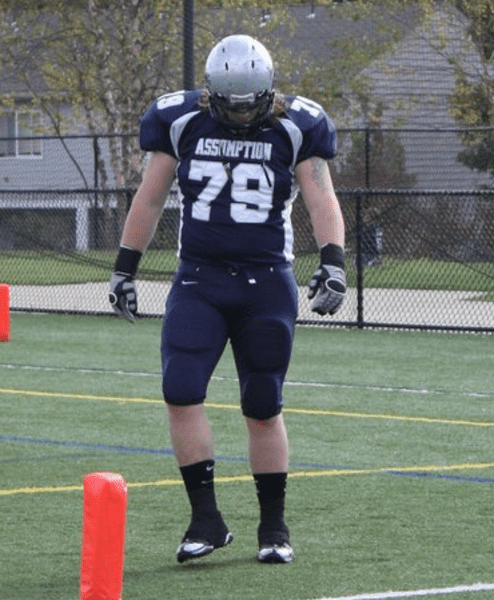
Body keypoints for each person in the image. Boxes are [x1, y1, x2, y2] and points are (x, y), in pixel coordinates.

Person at [108, 34, 346, 565]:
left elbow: (321, 195)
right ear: (212, 94)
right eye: (230, 106)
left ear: (267, 92)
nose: (240, 116)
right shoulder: (182, 119)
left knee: (262, 405)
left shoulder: (297, 124)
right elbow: (149, 196)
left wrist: (333, 261)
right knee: (181, 389)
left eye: (249, 105)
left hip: (266, 281)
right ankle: (206, 520)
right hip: (200, 278)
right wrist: (125, 268)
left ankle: (274, 526)